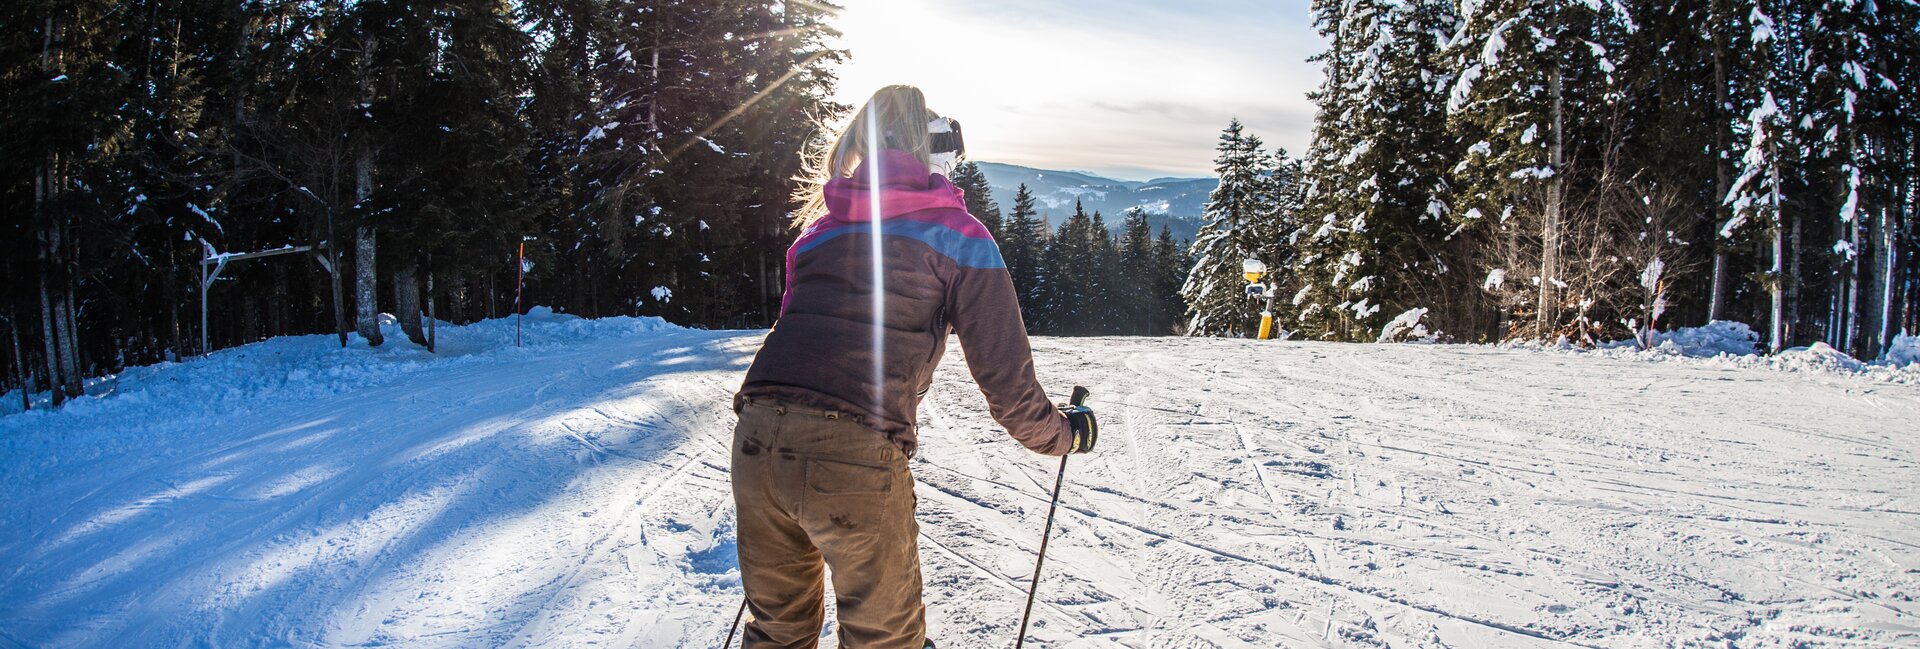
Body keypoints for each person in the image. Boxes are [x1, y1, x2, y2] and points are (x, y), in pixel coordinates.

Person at [730, 84, 1096, 649]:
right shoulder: (958, 235)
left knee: (778, 633)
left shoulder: (815, 236)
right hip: (852, 449)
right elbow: (1006, 380)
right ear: (937, 152)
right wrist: (1062, 435)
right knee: (884, 640)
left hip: (756, 438)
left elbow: (798, 334)